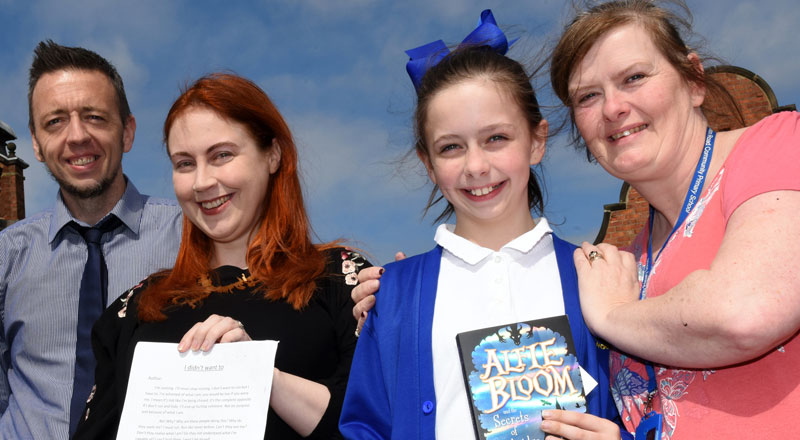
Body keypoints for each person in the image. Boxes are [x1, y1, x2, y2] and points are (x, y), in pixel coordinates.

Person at [340, 10, 625, 440]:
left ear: (537, 141)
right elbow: (365, 426)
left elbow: (648, 409)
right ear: (428, 164)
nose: (476, 166)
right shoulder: (393, 293)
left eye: (496, 138)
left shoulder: (598, 276)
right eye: (451, 147)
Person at [549, 1, 800, 438]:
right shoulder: (624, 262)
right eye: (588, 96)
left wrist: (612, 314)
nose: (612, 108)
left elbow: (741, 315)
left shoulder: (776, 145)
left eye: (633, 78)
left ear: (693, 80)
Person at [72, 73, 369, 439]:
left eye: (222, 155)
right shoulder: (135, 308)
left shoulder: (344, 281)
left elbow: (375, 423)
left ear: (272, 155)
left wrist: (259, 373)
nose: (201, 182)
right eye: (184, 163)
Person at [0, 40, 182, 438]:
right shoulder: (6, 257)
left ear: (127, 131)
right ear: (35, 142)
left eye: (95, 117)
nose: (77, 136)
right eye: (55, 122)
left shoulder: (189, 239)